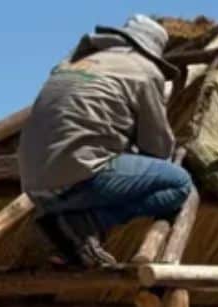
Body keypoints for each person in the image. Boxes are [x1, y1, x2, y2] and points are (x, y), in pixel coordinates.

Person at [19, 14, 192, 268]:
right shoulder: (146, 72)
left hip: (33, 184)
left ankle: (69, 229)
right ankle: (87, 223)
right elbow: (158, 148)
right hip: (78, 176)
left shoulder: (77, 63)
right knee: (179, 183)